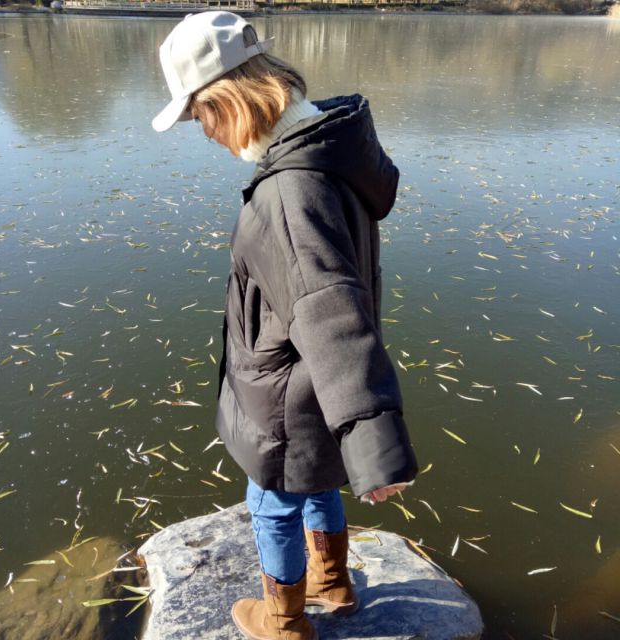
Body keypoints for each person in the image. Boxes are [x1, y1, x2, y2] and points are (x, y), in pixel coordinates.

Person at [152, 11, 419, 640]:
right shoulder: (330, 152)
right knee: (319, 483)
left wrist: (375, 448)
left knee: (272, 501)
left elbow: (330, 312)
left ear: (228, 101)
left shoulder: (289, 193)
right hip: (315, 387)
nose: (205, 133)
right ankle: (334, 584)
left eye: (199, 116)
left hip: (286, 396)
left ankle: (285, 620)